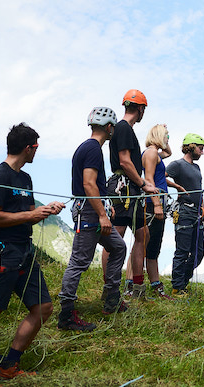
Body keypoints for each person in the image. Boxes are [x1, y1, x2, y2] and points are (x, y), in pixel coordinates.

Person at [0, 123, 65, 379]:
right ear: (27, 148)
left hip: (24, 251)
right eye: (36, 148)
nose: (36, 152)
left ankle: (10, 364)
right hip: (1, 253)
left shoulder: (25, 178)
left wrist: (45, 211)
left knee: (43, 307)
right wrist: (30, 214)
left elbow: (28, 215)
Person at [58, 107, 129, 332]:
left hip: (93, 210)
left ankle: (112, 298)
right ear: (109, 128)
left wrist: (106, 207)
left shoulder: (87, 148)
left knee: (118, 248)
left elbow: (94, 185)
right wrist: (101, 214)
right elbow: (89, 184)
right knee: (79, 261)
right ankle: (66, 314)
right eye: (112, 129)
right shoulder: (92, 149)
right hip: (89, 213)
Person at [103, 89, 158, 299]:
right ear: (141, 109)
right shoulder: (124, 128)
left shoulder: (123, 128)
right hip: (124, 188)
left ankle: (136, 286)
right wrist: (143, 183)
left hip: (128, 188)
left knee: (142, 234)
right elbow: (125, 161)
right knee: (115, 237)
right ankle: (110, 288)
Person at [132, 123, 179, 299]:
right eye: (166, 136)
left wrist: (163, 133)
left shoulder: (154, 153)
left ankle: (155, 285)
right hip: (153, 203)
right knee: (147, 245)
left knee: (153, 246)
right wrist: (157, 204)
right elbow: (148, 179)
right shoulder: (151, 153)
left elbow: (169, 153)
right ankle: (140, 284)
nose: (168, 139)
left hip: (157, 201)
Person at [166, 133, 204, 297]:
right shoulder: (177, 164)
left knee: (199, 251)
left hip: (197, 213)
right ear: (191, 147)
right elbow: (161, 178)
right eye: (201, 148)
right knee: (182, 251)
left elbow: (200, 191)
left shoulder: (197, 168)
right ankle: (177, 287)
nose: (202, 152)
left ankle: (183, 281)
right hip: (184, 211)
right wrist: (177, 186)